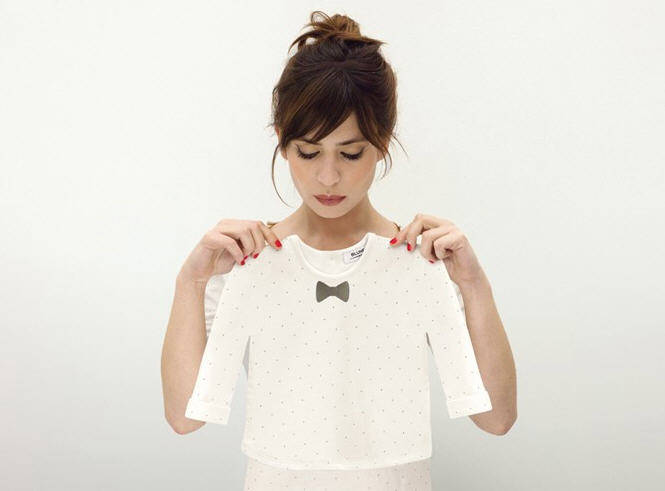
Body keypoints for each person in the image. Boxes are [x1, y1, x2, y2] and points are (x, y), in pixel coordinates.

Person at [161, 10, 517, 490]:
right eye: (309, 152)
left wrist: (473, 284)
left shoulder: (422, 263)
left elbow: (497, 418)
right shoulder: (244, 262)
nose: (328, 177)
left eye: (350, 153)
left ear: (382, 144)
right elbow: (184, 417)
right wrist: (191, 281)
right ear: (282, 143)